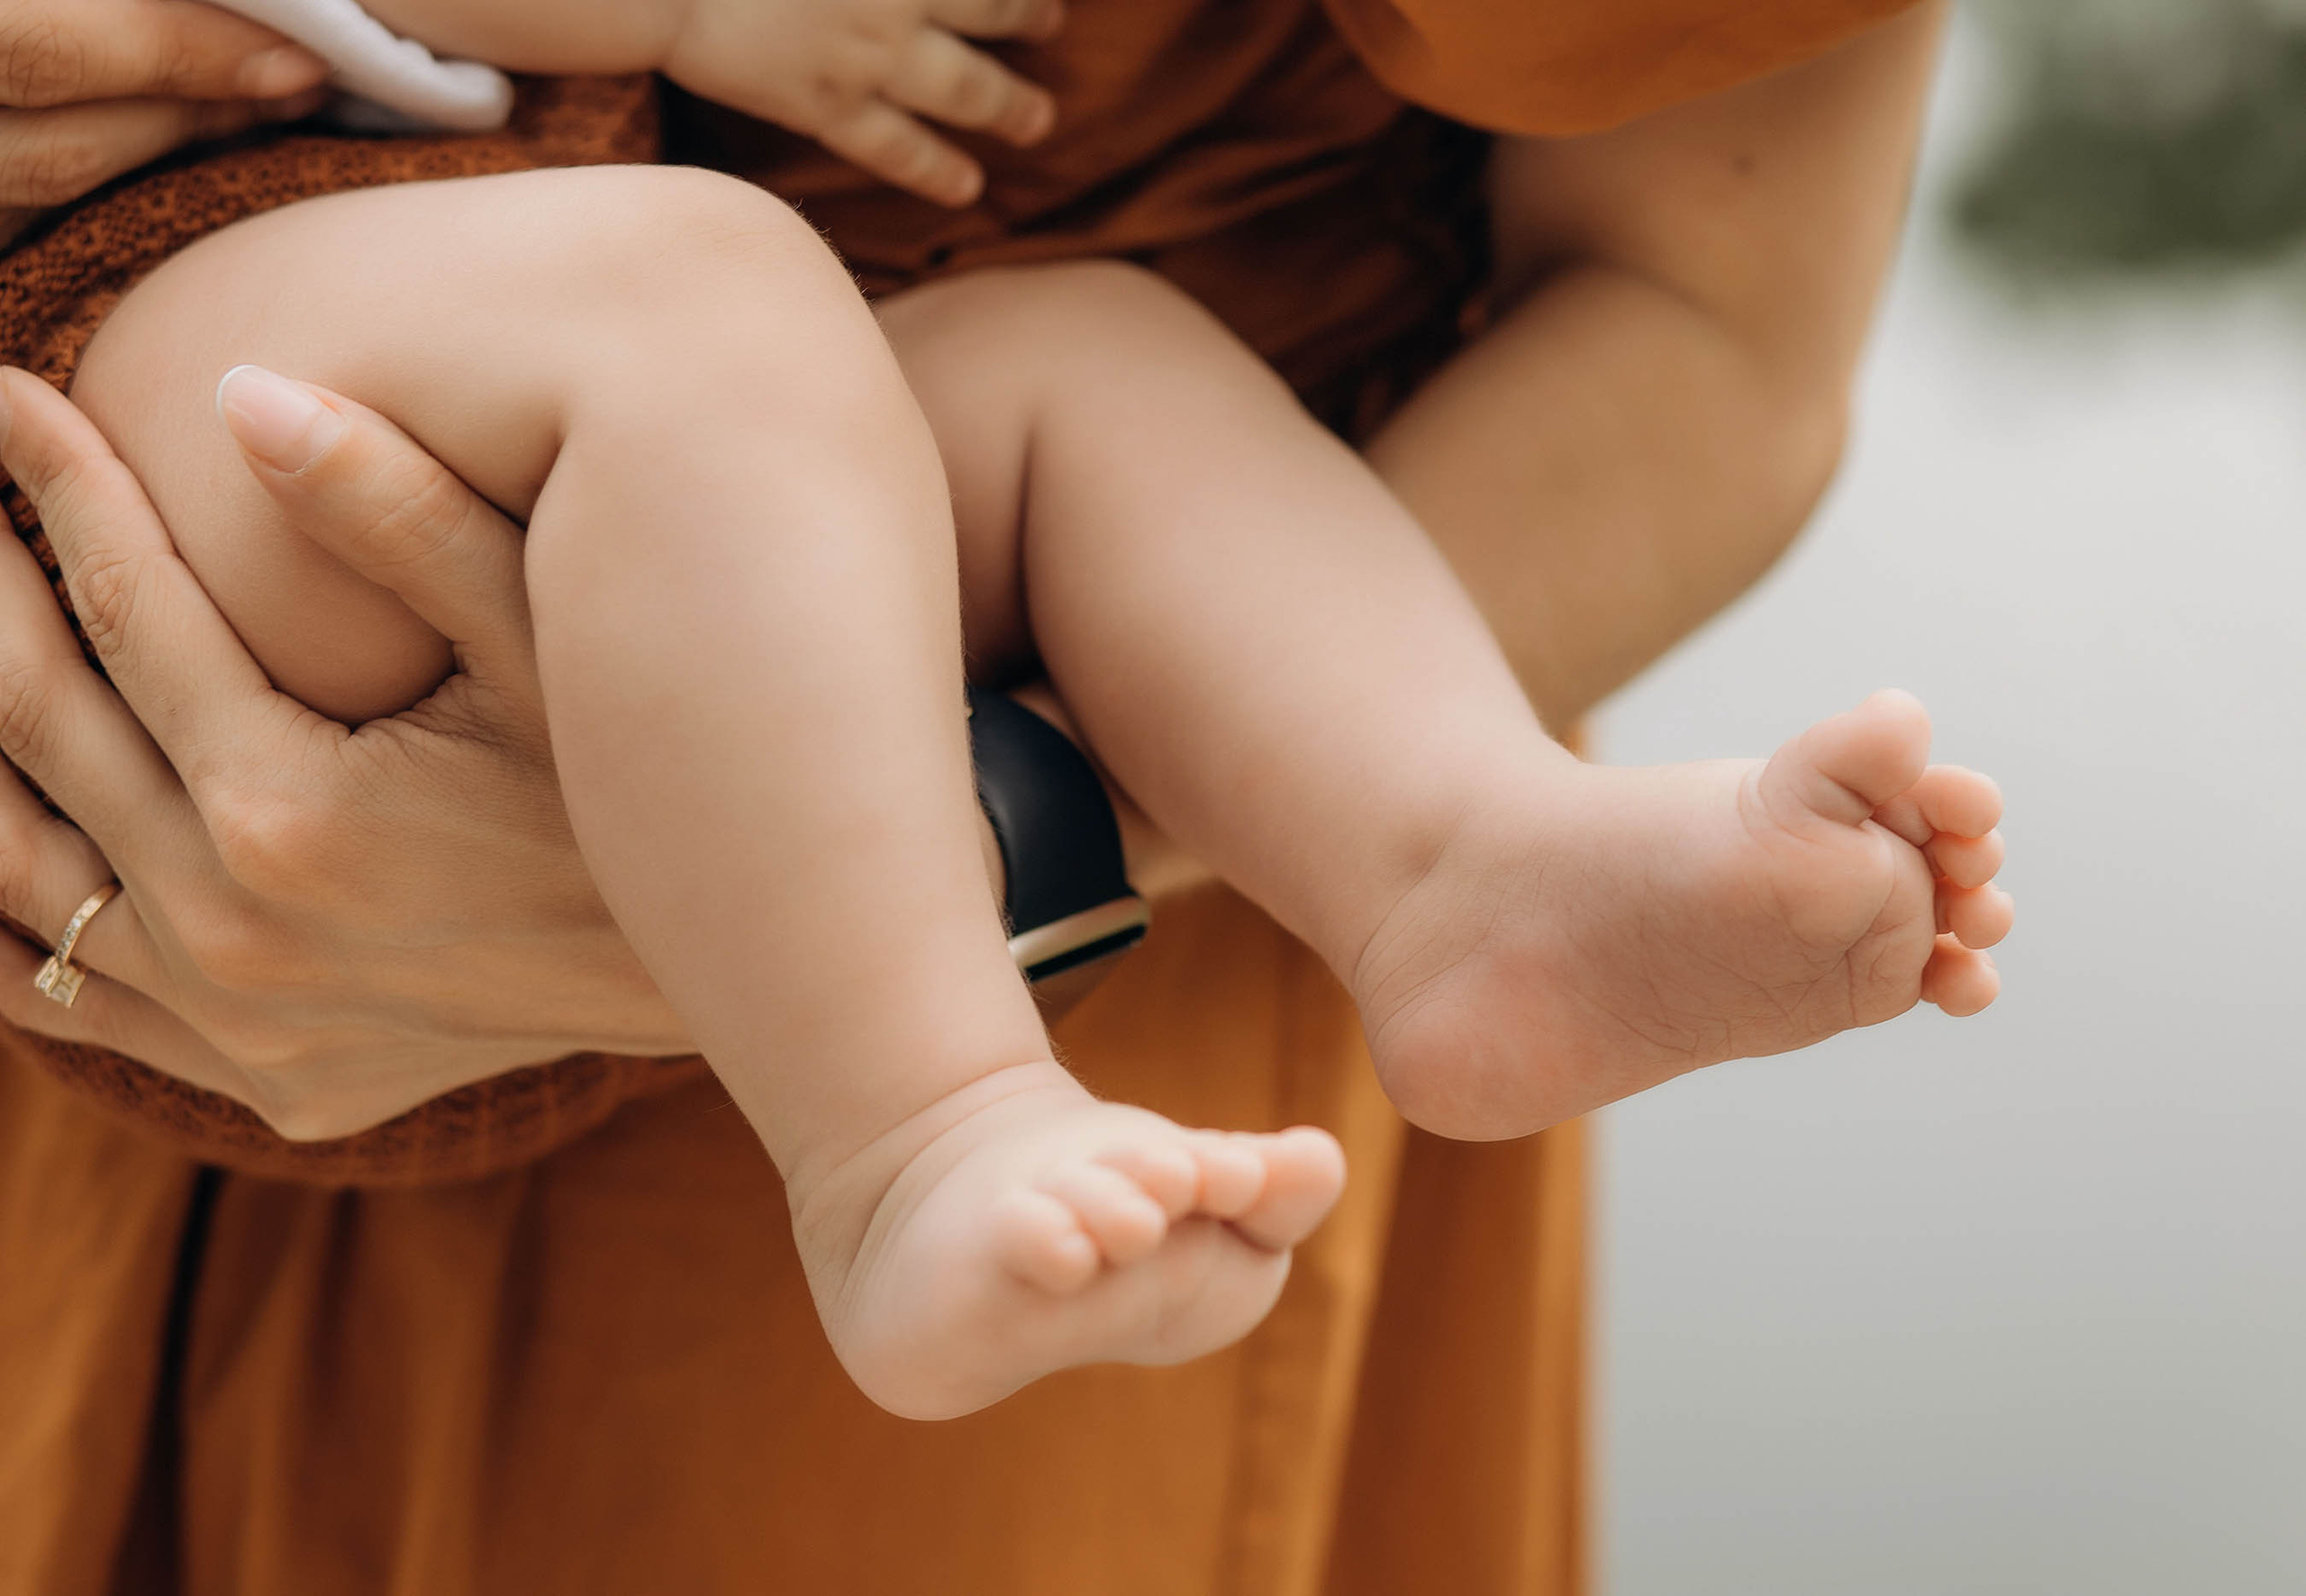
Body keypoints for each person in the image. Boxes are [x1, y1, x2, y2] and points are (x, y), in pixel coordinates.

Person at [0, 0, 1956, 1588]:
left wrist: (953, 837)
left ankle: (1444, 853)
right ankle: (918, 1131)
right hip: (152, 378)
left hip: (907, 778)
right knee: (700, 306)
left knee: (1077, 365)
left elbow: (1710, 315)